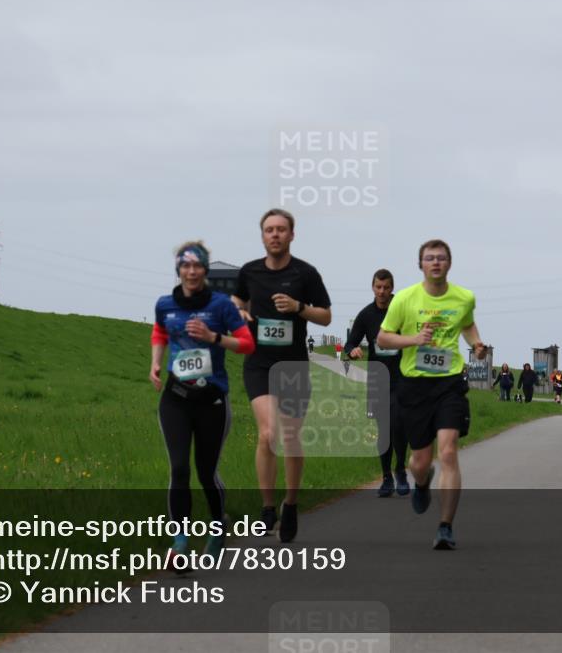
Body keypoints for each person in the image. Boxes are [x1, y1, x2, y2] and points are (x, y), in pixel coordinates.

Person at [150, 241, 255, 566]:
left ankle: (217, 524)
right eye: (186, 266)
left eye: (197, 266)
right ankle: (179, 542)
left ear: (205, 270)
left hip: (211, 401)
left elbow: (247, 344)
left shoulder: (221, 306)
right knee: (179, 469)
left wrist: (214, 338)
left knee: (206, 472)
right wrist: (155, 363)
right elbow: (159, 333)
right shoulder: (165, 304)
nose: (191, 271)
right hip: (175, 398)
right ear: (179, 269)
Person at [377, 239, 487, 550]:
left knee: (449, 451)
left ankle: (445, 527)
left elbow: (466, 324)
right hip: (414, 386)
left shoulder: (463, 297)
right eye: (429, 258)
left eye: (441, 258)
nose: (435, 262)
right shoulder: (406, 300)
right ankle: (422, 483)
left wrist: (477, 343)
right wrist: (414, 339)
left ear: (449, 263)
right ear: (420, 265)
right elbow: (383, 338)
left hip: (450, 383)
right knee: (419, 461)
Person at [232, 209, 332, 543]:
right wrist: (241, 311)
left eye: (281, 230)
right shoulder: (249, 271)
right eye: (269, 230)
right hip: (259, 363)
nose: (275, 235)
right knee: (267, 433)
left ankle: (291, 503)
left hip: (293, 366)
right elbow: (235, 299)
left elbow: (326, 317)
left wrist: (299, 307)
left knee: (289, 436)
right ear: (262, 236)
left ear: (292, 235)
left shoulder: (306, 273)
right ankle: (267, 506)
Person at [345, 269, 408, 498]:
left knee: (399, 427)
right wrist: (352, 349)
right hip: (378, 379)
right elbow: (350, 343)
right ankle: (386, 478)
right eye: (378, 287)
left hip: (402, 378)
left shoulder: (402, 311)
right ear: (373, 287)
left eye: (386, 288)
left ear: (392, 288)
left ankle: (401, 470)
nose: (382, 292)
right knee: (384, 430)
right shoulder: (366, 315)